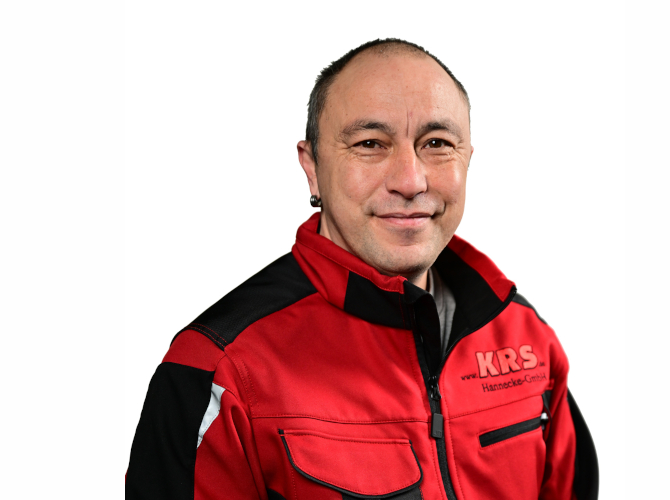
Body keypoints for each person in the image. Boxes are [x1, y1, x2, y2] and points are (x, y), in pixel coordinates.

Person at [126, 38, 597, 500]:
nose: (411, 181)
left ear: (467, 158)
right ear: (312, 168)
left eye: (437, 143)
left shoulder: (525, 336)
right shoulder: (220, 370)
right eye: (370, 143)